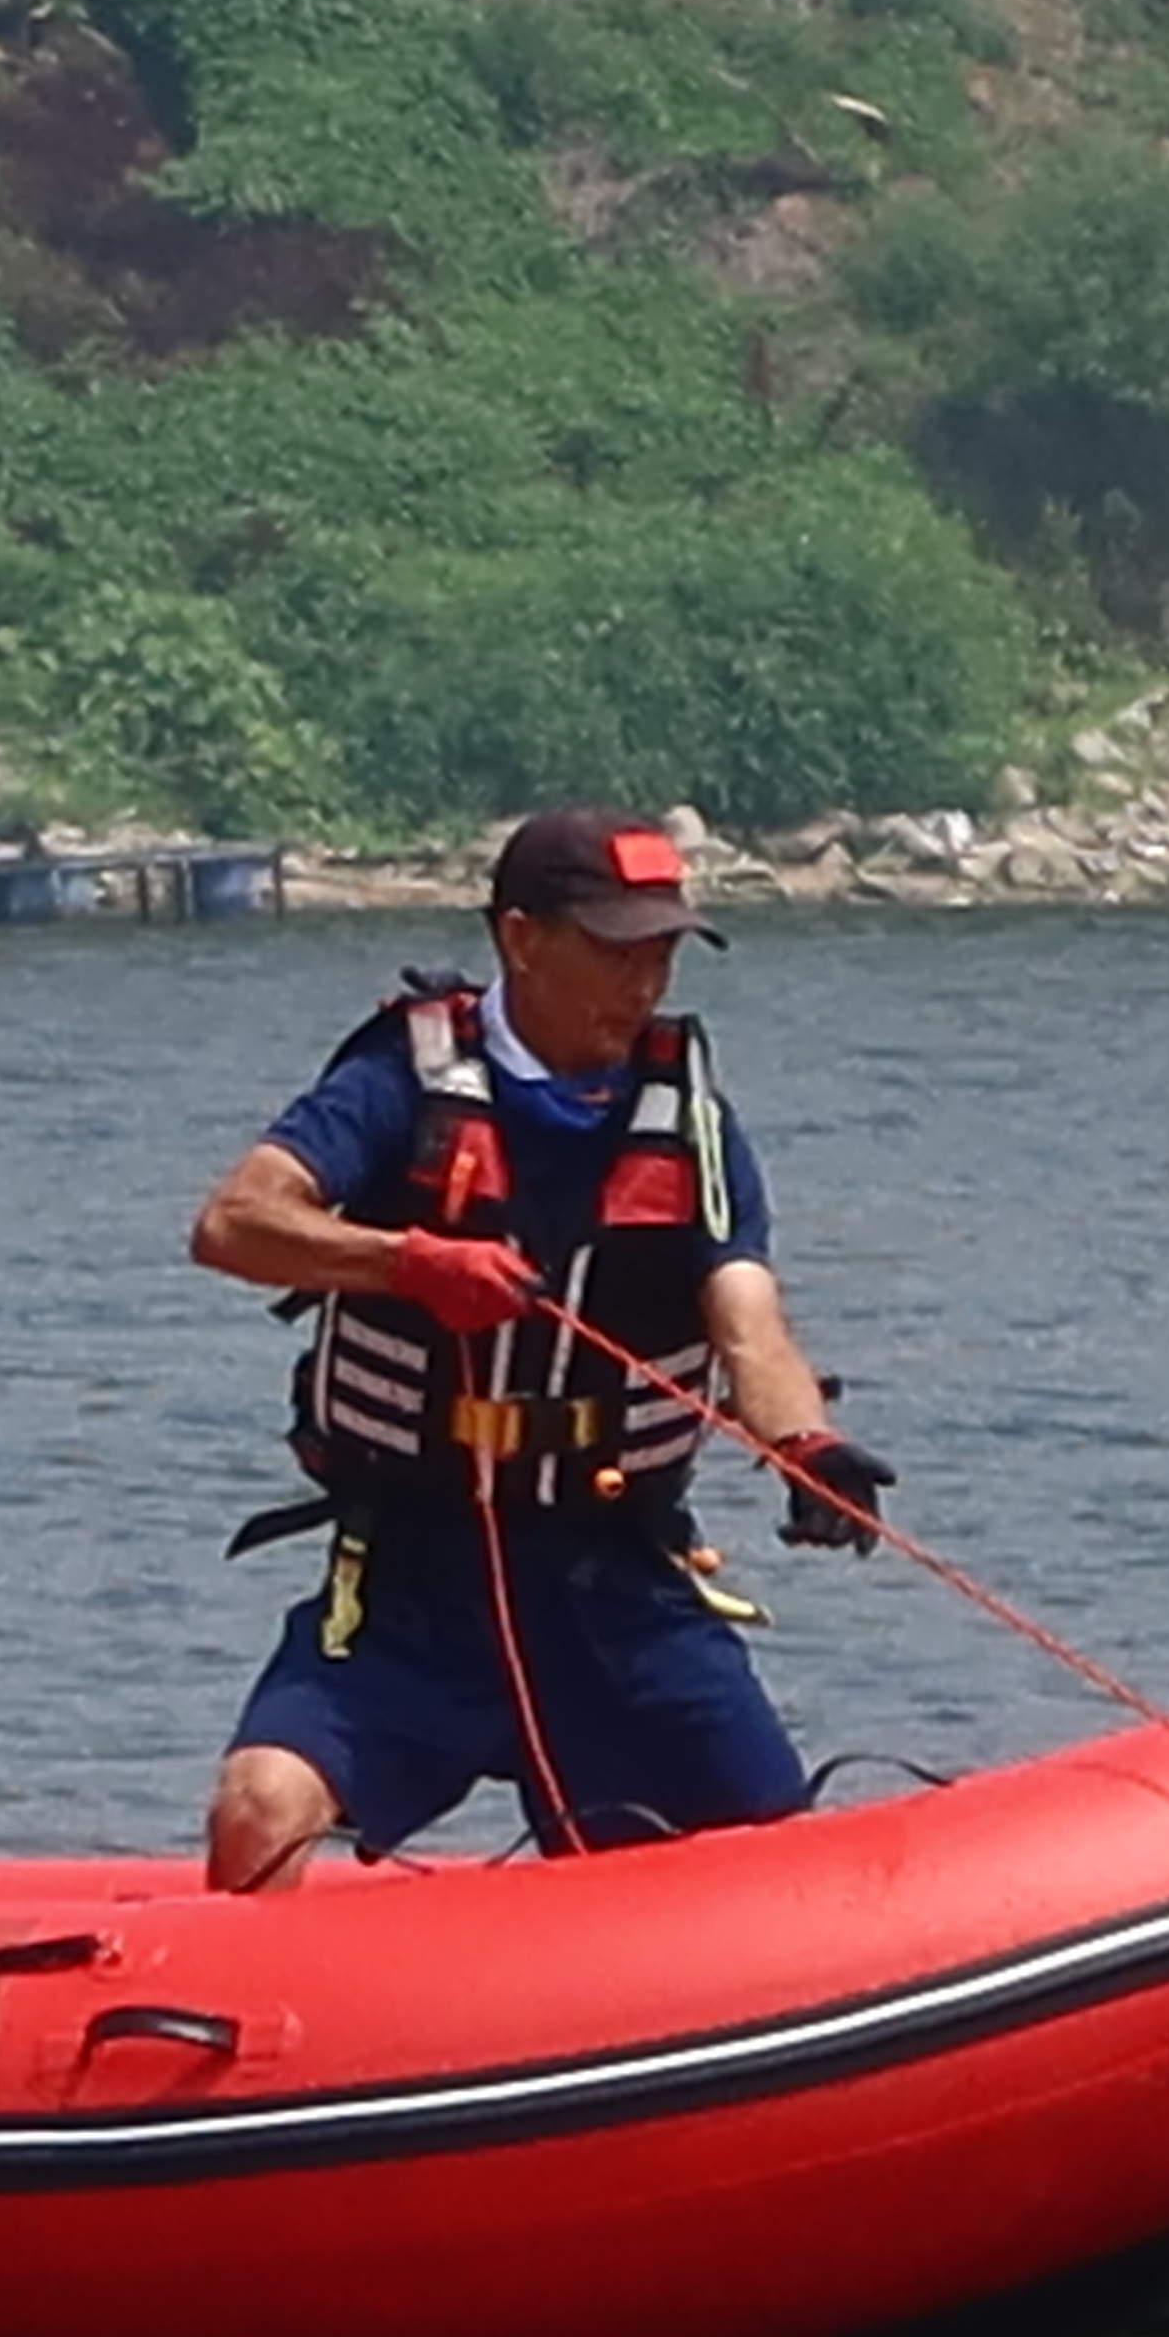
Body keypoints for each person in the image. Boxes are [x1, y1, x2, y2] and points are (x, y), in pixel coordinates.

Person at [185, 808, 901, 1889]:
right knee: (259, 1809)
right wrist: (409, 1262)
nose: (643, 984)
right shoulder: (402, 1078)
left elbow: (748, 1319)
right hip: (415, 1578)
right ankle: (251, 1990)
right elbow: (233, 1224)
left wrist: (806, 1444)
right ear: (520, 939)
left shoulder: (690, 1121)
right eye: (615, 952)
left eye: (661, 955)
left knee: (781, 1874)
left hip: (617, 1577)